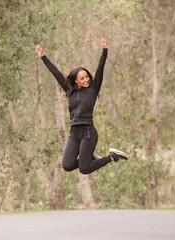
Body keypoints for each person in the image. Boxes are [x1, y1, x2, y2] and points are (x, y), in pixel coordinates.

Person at [35, 39, 128, 174]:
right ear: (76, 81)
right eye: (82, 78)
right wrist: (43, 57)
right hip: (74, 133)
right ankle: (89, 157)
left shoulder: (93, 89)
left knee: (84, 169)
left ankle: (112, 157)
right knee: (67, 165)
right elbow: (56, 74)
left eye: (86, 77)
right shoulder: (70, 91)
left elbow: (99, 69)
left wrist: (104, 52)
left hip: (88, 132)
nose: (86, 80)